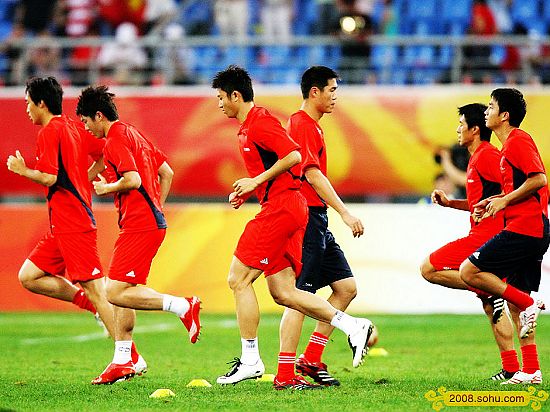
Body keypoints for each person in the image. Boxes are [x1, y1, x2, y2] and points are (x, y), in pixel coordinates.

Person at [211, 65, 374, 390]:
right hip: (286, 207)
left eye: (220, 98)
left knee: (237, 279)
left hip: (284, 209)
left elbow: (293, 155)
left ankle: (251, 360)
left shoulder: (262, 122)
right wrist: (249, 190)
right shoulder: (246, 129)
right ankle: (352, 326)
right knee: (285, 293)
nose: (219, 105)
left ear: (235, 95)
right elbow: (278, 167)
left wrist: (256, 181)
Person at [5, 76, 144, 376]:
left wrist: (22, 169)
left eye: (28, 103)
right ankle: (89, 306)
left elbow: (49, 177)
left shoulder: (50, 132)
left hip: (73, 222)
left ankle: (129, 357)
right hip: (62, 224)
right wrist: (85, 176)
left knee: (98, 290)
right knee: (29, 276)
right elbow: (99, 153)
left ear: (41, 103)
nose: (26, 109)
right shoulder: (71, 126)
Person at [76, 85, 201, 385]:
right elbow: (166, 172)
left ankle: (184, 306)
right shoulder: (134, 133)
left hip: (140, 224)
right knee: (122, 291)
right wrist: (158, 206)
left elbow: (131, 179)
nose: (86, 128)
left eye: (85, 122)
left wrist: (108, 188)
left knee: (113, 291)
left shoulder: (114, 140)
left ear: (98, 115)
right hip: (146, 221)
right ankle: (123, 360)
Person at [275, 66, 365, 387]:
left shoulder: (311, 126)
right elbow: (312, 174)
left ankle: (311, 358)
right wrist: (345, 212)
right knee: (300, 296)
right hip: (307, 219)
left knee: (345, 288)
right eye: (331, 90)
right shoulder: (301, 125)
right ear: (315, 92)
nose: (335, 97)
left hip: (317, 219)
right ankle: (285, 374)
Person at [421, 103, 520, 381]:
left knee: (429, 268)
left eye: (461, 124)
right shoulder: (477, 158)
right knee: (491, 306)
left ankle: (489, 287)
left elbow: (509, 189)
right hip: (486, 234)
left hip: (486, 237)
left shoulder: (488, 156)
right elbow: (480, 203)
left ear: (474, 130)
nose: (457, 130)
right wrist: (451, 203)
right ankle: (512, 369)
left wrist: (502, 210)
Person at [460, 88, 549, 385]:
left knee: (470, 271)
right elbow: (522, 184)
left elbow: (539, 179)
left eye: (490, 106)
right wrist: (494, 199)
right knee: (513, 303)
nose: (486, 111)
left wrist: (505, 201)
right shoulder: (507, 146)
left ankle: (529, 303)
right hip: (528, 226)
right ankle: (531, 370)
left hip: (527, 227)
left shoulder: (517, 141)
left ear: (504, 115)